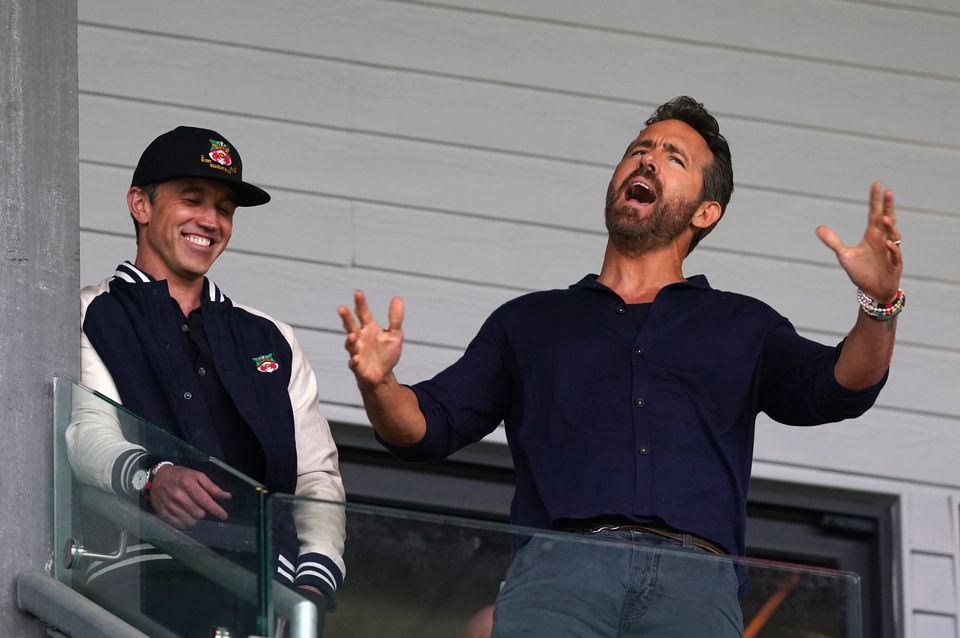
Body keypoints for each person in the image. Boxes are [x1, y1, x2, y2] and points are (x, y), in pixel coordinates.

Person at [338, 96, 903, 636]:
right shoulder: (530, 322)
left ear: (706, 212)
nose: (648, 158)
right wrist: (379, 383)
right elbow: (425, 428)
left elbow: (839, 387)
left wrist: (879, 304)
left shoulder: (744, 325)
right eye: (639, 149)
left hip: (696, 585)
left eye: (672, 158)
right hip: (560, 575)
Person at [68, 126, 345, 635]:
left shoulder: (272, 336)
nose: (211, 221)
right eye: (192, 199)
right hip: (134, 590)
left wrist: (312, 583)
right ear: (140, 205)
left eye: (225, 208)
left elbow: (316, 477)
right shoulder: (87, 311)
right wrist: (151, 476)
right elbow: (87, 428)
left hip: (263, 600)